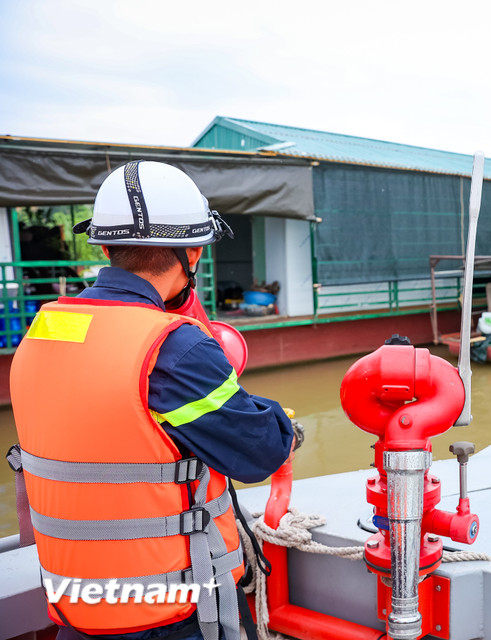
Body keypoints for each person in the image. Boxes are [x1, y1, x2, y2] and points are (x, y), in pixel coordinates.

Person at [8, 161, 295, 640]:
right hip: (167, 614)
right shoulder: (174, 347)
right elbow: (260, 452)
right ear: (193, 252)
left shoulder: (43, 331)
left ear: (102, 246)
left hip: (77, 606)